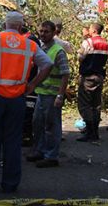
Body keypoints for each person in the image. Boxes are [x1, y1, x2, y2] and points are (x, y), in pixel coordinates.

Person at [0, 11, 52, 192]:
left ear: (5, 25)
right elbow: (47, 64)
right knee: (13, 141)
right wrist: (32, 84)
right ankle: (10, 185)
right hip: (17, 97)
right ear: (20, 26)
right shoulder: (29, 45)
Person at [27, 21, 70, 168]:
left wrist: (60, 96)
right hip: (41, 93)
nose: (43, 34)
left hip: (52, 94)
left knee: (51, 126)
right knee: (37, 123)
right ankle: (39, 150)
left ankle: (51, 156)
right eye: (41, 31)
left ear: (53, 33)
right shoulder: (42, 49)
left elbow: (65, 74)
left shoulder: (58, 51)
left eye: (46, 31)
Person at [76, 23, 108, 142]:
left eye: (89, 28)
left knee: (85, 104)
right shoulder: (105, 43)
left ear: (94, 30)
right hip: (99, 76)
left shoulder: (88, 42)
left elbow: (80, 57)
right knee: (96, 104)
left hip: (88, 76)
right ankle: (95, 131)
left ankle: (89, 131)